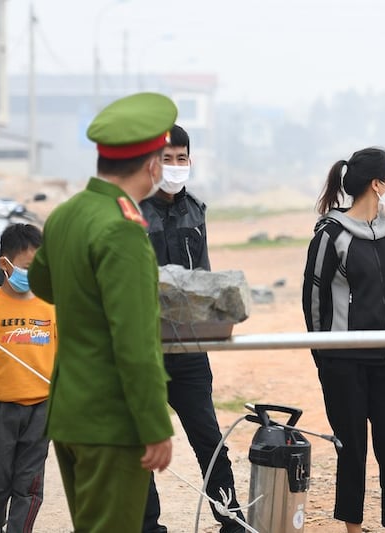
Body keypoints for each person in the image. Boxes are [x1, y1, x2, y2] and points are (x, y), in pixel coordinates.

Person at [27, 92, 175, 533]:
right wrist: (154, 425)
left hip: (71, 412)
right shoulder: (121, 229)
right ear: (152, 164)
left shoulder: (67, 214)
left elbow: (41, 284)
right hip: (111, 421)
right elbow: (134, 344)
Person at [139, 124, 245, 533]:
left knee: (208, 436)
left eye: (182, 158)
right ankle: (149, 525)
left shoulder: (196, 210)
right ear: (151, 163)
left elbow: (203, 276)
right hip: (143, 349)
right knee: (140, 441)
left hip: (188, 349)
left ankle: (231, 517)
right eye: (167, 159)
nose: (175, 166)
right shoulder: (130, 212)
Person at [302, 147, 385, 533]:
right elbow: (312, 300)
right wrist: (324, 357)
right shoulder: (331, 235)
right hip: (344, 362)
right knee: (352, 450)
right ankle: (352, 526)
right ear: (377, 185)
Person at [0, 223, 56, 533]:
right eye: (28, 267)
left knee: (29, 485)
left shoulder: (52, 307)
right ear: (5, 265)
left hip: (41, 410)